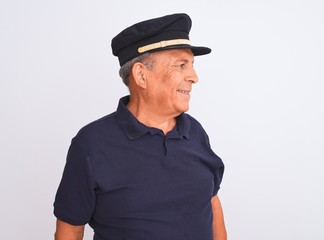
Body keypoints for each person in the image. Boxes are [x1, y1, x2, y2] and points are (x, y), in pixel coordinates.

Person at [53, 13, 226, 240]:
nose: (194, 77)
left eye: (192, 65)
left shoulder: (195, 133)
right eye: (181, 65)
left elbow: (211, 203)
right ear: (141, 76)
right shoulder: (91, 144)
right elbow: (71, 229)